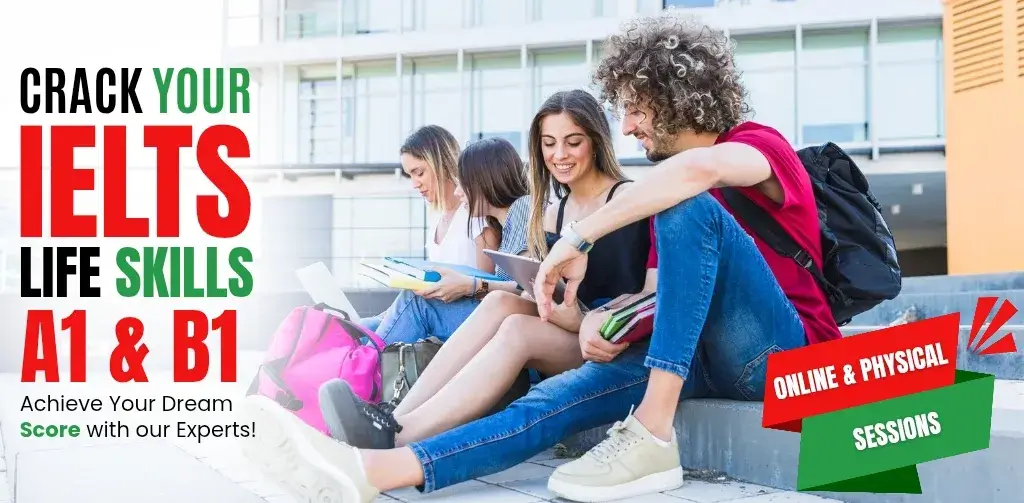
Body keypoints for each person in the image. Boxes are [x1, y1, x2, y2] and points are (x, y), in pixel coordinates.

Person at [238, 89, 655, 502]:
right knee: (500, 303)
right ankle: (390, 422)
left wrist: (582, 319)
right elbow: (537, 284)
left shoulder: (629, 200)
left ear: (597, 141)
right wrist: (530, 285)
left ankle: (399, 434)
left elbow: (646, 298)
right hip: (562, 322)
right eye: (548, 144)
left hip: (603, 339)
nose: (559, 155)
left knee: (515, 330)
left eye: (573, 142)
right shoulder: (552, 209)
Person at [530, 12, 844, 501]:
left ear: (676, 96)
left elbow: (700, 168)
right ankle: (397, 455)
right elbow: (659, 298)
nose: (627, 125)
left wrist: (578, 237)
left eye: (636, 108)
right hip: (715, 362)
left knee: (687, 206)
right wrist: (600, 318)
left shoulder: (760, 147)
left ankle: (653, 433)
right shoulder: (670, 198)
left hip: (797, 362)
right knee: (548, 395)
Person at [366, 136, 532, 344]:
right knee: (366, 326)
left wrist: (470, 285)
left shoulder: (521, 209)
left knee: (417, 303)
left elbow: (525, 287)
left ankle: (360, 370)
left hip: (506, 322)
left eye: (464, 183)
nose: (457, 191)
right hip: (496, 315)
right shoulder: (506, 223)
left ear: (486, 180)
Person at [359, 125, 496, 333]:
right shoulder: (436, 218)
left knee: (407, 302)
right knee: (362, 327)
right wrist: (392, 313)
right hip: (436, 311)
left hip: (470, 317)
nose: (415, 184)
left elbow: (488, 291)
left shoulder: (475, 214)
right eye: (410, 175)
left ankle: (363, 366)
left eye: (419, 172)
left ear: (441, 164)